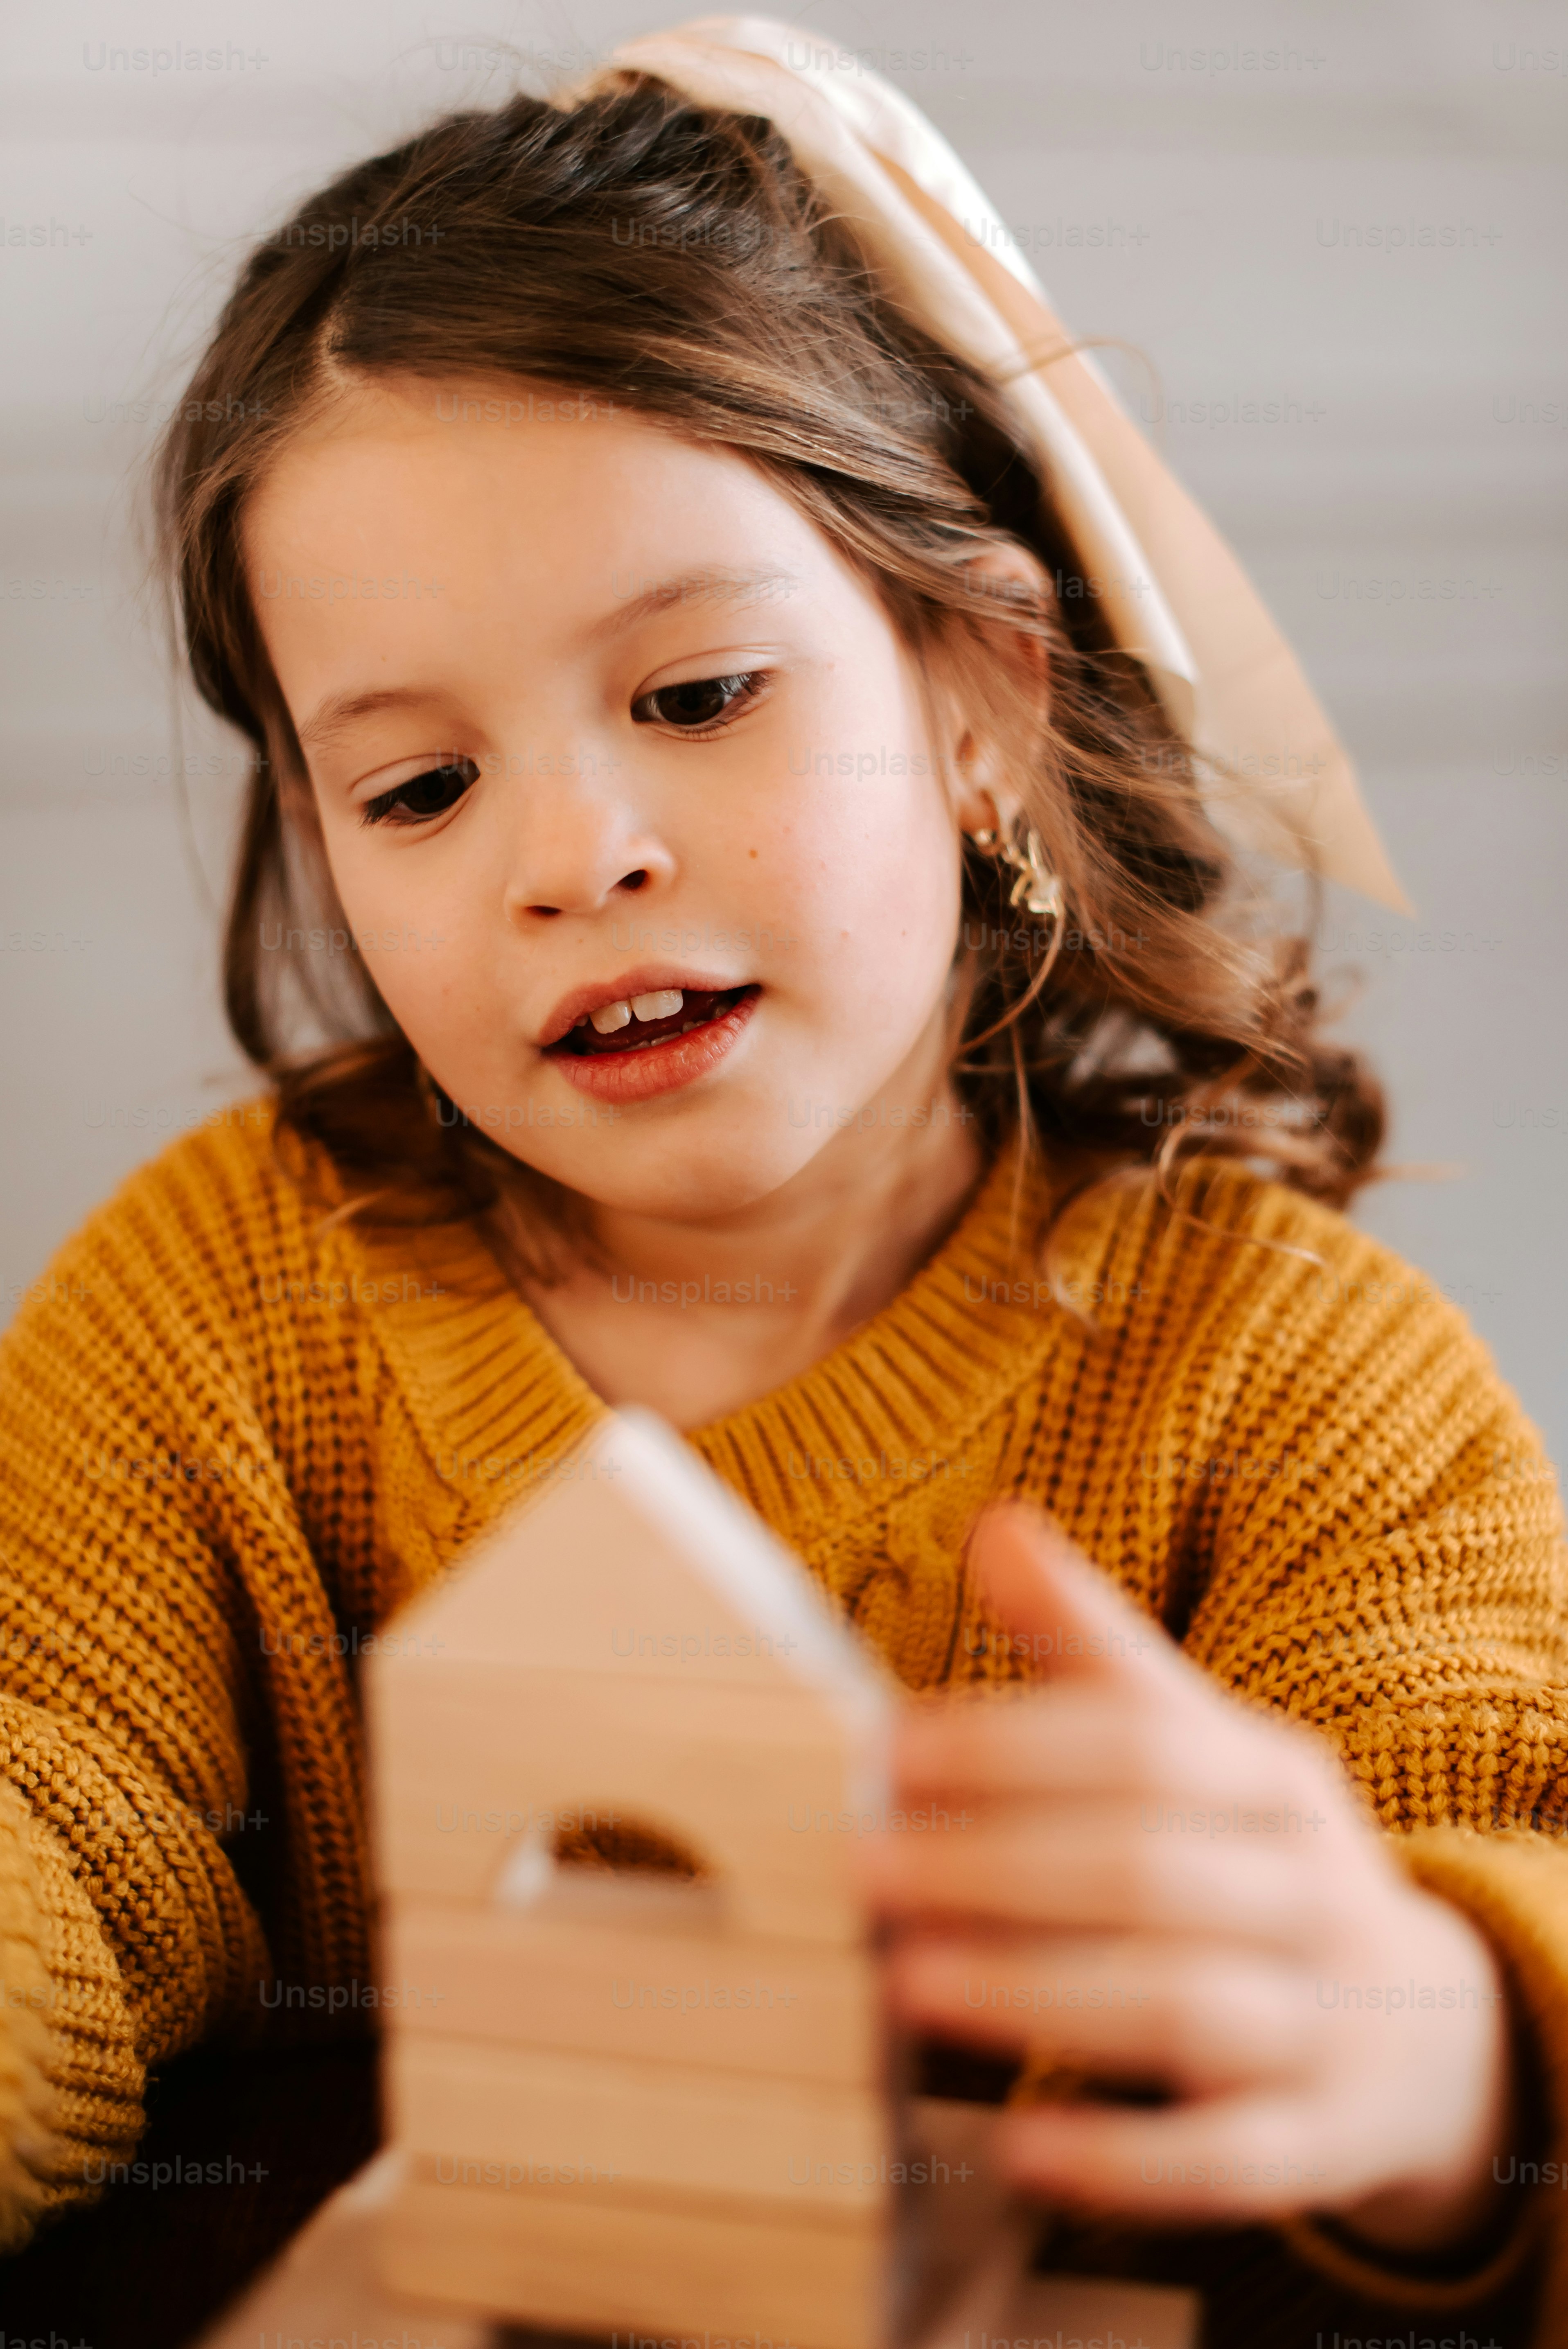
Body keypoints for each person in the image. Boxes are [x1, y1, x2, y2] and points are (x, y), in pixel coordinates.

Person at [0, 23, 1563, 2344]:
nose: (576, 858)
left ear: (979, 697)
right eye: (419, 791)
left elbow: (1484, 1859)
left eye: (696, 693)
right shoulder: (217, 1308)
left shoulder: (1295, 1389)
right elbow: (61, 1809)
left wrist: (1440, 2050)